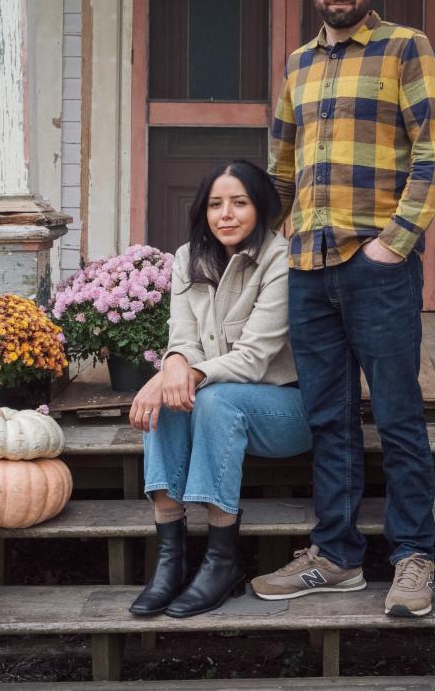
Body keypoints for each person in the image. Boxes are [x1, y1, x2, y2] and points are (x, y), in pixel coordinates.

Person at [254, 0, 435, 617]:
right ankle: (337, 556)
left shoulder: (407, 48)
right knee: (329, 419)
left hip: (377, 267)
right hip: (309, 268)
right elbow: (280, 169)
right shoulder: (297, 65)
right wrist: (257, 243)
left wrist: (396, 242)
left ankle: (413, 558)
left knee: (398, 415)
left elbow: (434, 154)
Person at [128, 160, 312, 618]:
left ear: (261, 208)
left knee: (209, 395)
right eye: (216, 204)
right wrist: (171, 364)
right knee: (173, 402)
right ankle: (170, 560)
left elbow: (253, 357)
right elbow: (182, 339)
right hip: (218, 400)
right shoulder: (187, 258)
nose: (226, 214)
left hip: (287, 411)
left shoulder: (279, 259)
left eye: (239, 203)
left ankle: (222, 560)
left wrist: (178, 374)